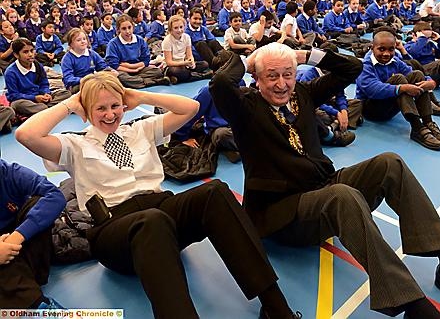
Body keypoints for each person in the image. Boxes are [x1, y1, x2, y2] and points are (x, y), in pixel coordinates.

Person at [210, 41, 440, 319]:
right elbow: (221, 82)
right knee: (342, 195)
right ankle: (414, 306)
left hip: (322, 187)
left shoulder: (302, 94)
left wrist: (305, 55)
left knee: (390, 163)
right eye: (272, 76)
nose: (281, 84)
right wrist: (251, 60)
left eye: (288, 74)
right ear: (258, 79)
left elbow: (352, 67)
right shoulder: (245, 108)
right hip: (283, 214)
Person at [15, 71, 300, 319]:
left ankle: (276, 306)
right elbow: (26, 135)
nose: (111, 114)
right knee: (151, 221)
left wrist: (140, 96)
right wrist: (70, 104)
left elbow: (190, 107)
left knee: (215, 191)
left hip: (162, 213)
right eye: (100, 108)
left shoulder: (140, 129)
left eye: (116, 105)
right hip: (116, 230)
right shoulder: (74, 145)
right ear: (86, 112)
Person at [0, 159, 66, 309]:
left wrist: (15, 238)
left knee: (36, 203)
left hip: (23, 249)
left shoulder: (10, 172)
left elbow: (54, 195)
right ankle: (40, 306)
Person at [5, 38, 71, 118]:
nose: (30, 54)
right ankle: (50, 109)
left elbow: (44, 83)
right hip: (24, 100)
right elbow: (13, 95)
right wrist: (34, 98)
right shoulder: (10, 72)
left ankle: (44, 109)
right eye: (25, 52)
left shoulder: (37, 65)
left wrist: (46, 93)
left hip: (40, 97)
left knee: (66, 93)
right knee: (17, 105)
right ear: (16, 55)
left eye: (32, 50)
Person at [105, 14, 169, 88]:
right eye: (124, 29)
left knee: (157, 71)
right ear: (118, 30)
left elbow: (146, 60)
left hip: (139, 68)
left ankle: (137, 82)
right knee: (119, 77)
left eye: (129, 27)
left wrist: (132, 66)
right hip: (123, 71)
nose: (128, 31)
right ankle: (152, 82)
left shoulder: (140, 40)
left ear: (133, 27)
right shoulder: (113, 44)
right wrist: (132, 70)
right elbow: (114, 65)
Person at [163, 15, 211, 83]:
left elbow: (189, 55)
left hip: (185, 64)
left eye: (181, 27)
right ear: (171, 29)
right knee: (178, 71)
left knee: (205, 64)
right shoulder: (167, 40)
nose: (179, 30)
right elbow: (169, 62)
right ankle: (202, 76)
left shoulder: (187, 37)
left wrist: (191, 62)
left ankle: (180, 78)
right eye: (176, 28)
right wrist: (183, 63)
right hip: (173, 66)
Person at [61, 28, 111, 93]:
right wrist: (83, 80)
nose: (83, 41)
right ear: (71, 44)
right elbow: (68, 78)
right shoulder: (67, 58)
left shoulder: (91, 53)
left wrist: (109, 71)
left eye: (84, 39)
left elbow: (102, 66)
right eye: (78, 40)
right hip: (77, 84)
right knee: (89, 88)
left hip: (92, 80)